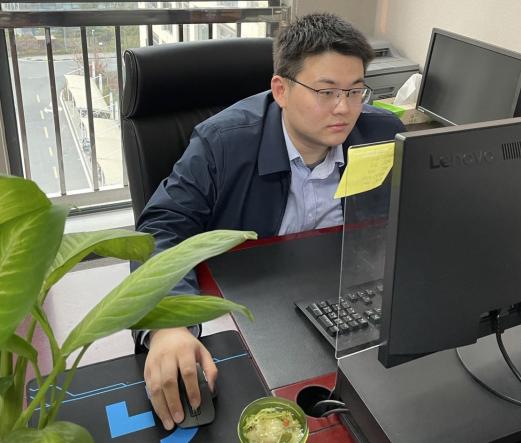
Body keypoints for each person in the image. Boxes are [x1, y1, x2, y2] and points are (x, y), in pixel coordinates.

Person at [134, 12, 406, 430]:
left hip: (342, 301)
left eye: (355, 91)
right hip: (249, 307)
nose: (344, 108)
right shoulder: (222, 143)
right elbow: (162, 226)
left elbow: (407, 216)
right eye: (326, 91)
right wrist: (169, 321)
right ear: (281, 90)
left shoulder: (381, 134)